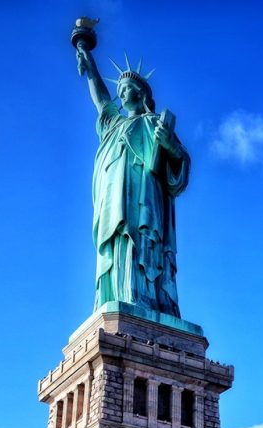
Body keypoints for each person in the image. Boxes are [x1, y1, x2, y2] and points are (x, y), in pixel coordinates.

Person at [75, 42, 190, 316]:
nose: (122, 93)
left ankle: (147, 299)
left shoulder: (154, 124)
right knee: (119, 243)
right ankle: (121, 294)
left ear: (140, 93)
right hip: (115, 201)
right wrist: (89, 62)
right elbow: (101, 100)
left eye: (127, 88)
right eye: (120, 90)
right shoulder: (113, 125)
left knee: (145, 241)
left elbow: (180, 163)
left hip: (146, 197)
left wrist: (171, 146)